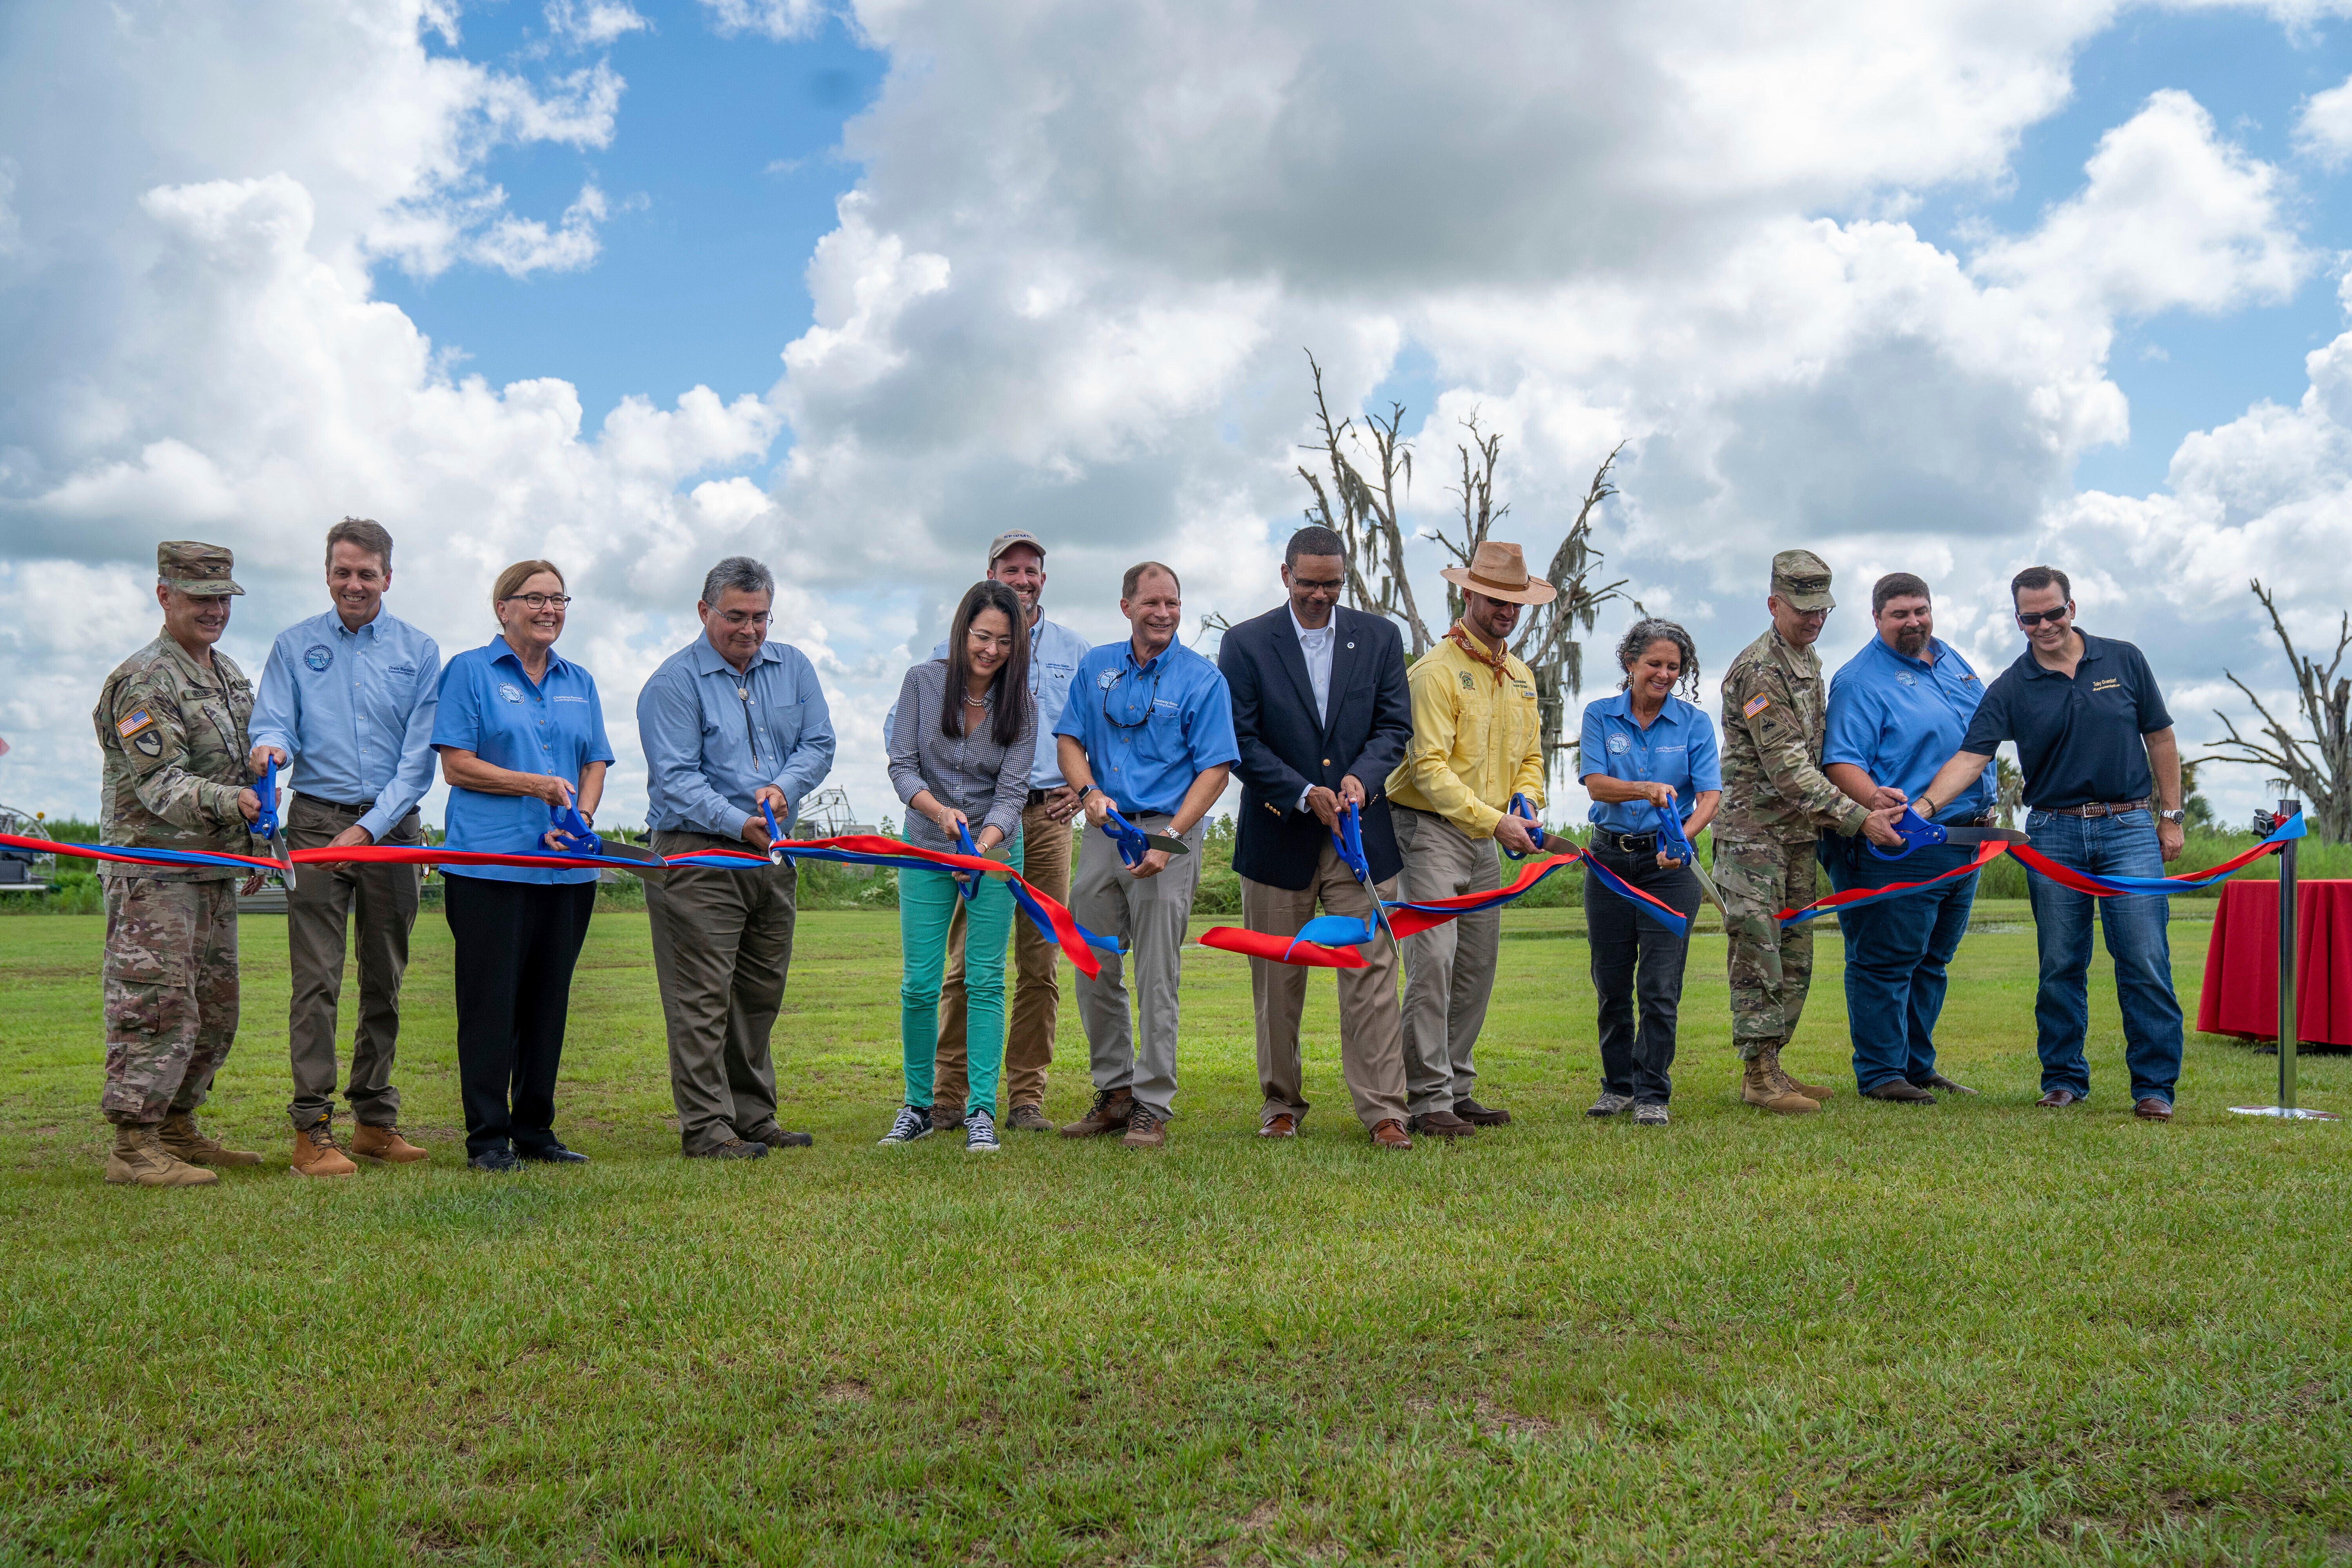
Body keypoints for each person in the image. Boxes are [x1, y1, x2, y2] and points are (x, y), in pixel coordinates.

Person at [1911, 565, 2188, 1120]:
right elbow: (1972, 756)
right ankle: (2063, 1080)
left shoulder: (2124, 659)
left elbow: (2159, 737)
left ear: (2072, 608)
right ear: (2019, 620)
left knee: (2144, 959)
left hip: (2128, 826)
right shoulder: (2012, 686)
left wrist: (2172, 815)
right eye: (2030, 617)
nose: (2044, 625)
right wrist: (1923, 809)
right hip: (2054, 833)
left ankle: (2154, 1088)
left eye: (2053, 613)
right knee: (2061, 962)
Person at [247, 517, 439, 1176]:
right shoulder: (295, 645)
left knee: (384, 979)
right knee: (317, 981)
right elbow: (275, 720)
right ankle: (312, 1131)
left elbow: (419, 764)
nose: (353, 584)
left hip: (392, 829)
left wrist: (367, 830)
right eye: (342, 572)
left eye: (367, 573)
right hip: (312, 822)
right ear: (327, 573)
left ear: (389, 577)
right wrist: (268, 747)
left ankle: (375, 1122)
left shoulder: (419, 651)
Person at [1218, 524, 1416, 1149]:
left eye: (1332, 585)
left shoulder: (1381, 637)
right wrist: (1304, 793)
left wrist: (1360, 779)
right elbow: (1240, 741)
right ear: (1285, 576)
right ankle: (1281, 1103)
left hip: (1363, 837)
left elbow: (1394, 726)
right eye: (1308, 584)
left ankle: (1384, 1109)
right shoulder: (1246, 643)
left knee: (1373, 974)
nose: (1320, 596)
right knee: (1278, 981)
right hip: (1279, 837)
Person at [637, 555, 835, 1161]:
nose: (749, 630)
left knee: (757, 994)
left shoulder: (795, 667)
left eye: (760, 617)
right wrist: (738, 823)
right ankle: (706, 1128)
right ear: (704, 612)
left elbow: (819, 743)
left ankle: (753, 1116)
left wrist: (784, 788)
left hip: (773, 853)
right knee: (701, 998)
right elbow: (675, 780)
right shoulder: (672, 684)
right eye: (735, 617)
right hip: (697, 853)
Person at [90, 541, 266, 1187]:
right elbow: (160, 784)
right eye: (200, 597)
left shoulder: (227, 673)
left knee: (216, 1010)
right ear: (164, 595)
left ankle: (176, 1128)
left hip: (212, 867)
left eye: (223, 597)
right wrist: (237, 804)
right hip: (154, 874)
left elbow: (241, 763)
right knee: (157, 1006)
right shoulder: (145, 679)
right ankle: (134, 1146)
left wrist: (253, 840)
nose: (214, 609)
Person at [431, 560, 613, 1173]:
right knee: (490, 1005)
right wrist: (533, 786)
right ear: (502, 608)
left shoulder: (579, 680)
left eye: (559, 599)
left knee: (548, 1004)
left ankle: (536, 1130)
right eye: (534, 598)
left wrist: (580, 819)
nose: (549, 610)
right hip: (489, 868)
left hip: (567, 874)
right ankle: (488, 1138)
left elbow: (594, 761)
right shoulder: (470, 672)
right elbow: (456, 765)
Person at [1054, 562, 1239, 1149]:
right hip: (1104, 830)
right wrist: (1088, 793)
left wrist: (1171, 840)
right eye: (1152, 602)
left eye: (1174, 603)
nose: (1164, 612)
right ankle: (1114, 1093)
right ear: (1126, 606)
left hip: (1167, 832)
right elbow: (1069, 740)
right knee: (1093, 965)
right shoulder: (1096, 667)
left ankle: (1152, 1105)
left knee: (1158, 974)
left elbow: (1216, 770)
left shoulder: (1202, 679)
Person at [913, 531, 1089, 1134]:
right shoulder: (949, 654)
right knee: (967, 963)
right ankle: (949, 1092)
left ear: (1045, 577)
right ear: (991, 572)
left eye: (1032, 569)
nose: (1023, 578)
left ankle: (1025, 1096)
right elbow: (907, 743)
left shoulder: (1074, 651)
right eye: (1011, 568)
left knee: (1040, 962)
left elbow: (1099, 733)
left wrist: (1086, 787)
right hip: (976, 827)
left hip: (1047, 817)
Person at [1716, 550, 1905, 1115]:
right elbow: (1789, 770)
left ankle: (1774, 1065)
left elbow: (1818, 757)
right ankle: (1757, 1075)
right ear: (1774, 604)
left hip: (1797, 838)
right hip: (1754, 840)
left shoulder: (1807, 661)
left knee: (1795, 959)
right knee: (1759, 958)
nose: (1814, 619)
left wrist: (1870, 795)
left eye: (1822, 609)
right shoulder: (1761, 669)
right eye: (1802, 610)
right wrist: (1858, 818)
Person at [1384, 540, 1552, 1136]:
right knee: (1433, 962)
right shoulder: (1435, 672)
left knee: (1476, 966)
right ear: (1468, 593)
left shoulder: (1522, 677)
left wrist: (1526, 804)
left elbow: (1531, 756)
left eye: (1516, 600)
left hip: (1488, 835)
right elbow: (1427, 769)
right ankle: (1426, 1099)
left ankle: (1456, 1087)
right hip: (1429, 831)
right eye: (1496, 597)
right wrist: (1495, 820)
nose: (1507, 609)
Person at [1821, 573, 1993, 1103]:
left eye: (1920, 610)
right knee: (1886, 959)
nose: (1913, 621)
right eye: (1900, 614)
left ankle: (1918, 1065)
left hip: (1965, 839)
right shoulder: (1860, 681)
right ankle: (1880, 1074)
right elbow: (1840, 760)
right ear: (1877, 619)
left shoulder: (1951, 661)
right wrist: (1874, 806)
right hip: (1900, 842)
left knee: (1932, 960)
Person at [879, 579, 1038, 1152]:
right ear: (962, 632)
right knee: (920, 983)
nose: (990, 650)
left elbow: (1013, 790)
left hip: (993, 850)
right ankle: (918, 1105)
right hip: (925, 841)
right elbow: (902, 767)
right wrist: (942, 816)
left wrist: (982, 844)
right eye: (981, 637)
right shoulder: (923, 683)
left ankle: (981, 1112)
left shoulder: (1022, 705)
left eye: (1002, 641)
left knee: (985, 979)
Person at [1577, 618, 1720, 1127]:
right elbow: (1596, 785)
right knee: (1612, 983)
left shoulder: (1694, 724)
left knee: (1660, 985)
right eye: (1654, 664)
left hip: (1669, 869)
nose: (1663, 675)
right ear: (1630, 664)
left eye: (1674, 668)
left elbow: (1709, 797)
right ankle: (1616, 1086)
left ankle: (1652, 1093)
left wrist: (1682, 838)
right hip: (1610, 864)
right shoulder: (1599, 716)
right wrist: (1646, 790)